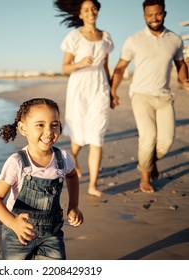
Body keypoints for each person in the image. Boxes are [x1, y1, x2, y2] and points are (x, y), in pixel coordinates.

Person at [0, 98, 83, 260]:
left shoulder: (63, 158)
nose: (48, 131)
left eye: (54, 124)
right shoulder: (17, 162)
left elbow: (72, 175)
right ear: (23, 128)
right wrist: (13, 224)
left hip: (52, 234)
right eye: (40, 125)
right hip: (18, 236)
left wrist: (74, 206)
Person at [111, 0, 189, 193]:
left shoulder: (175, 40)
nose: (154, 18)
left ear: (164, 13)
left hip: (164, 96)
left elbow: (180, 64)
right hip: (141, 95)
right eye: (149, 15)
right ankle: (144, 178)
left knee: (166, 142)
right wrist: (113, 91)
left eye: (158, 14)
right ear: (144, 16)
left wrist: (185, 80)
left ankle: (151, 162)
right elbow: (120, 67)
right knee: (148, 137)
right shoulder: (134, 39)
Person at [54, 0, 114, 197]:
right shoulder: (74, 36)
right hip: (79, 87)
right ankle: (74, 159)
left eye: (94, 8)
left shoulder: (105, 37)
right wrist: (79, 63)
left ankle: (93, 185)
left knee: (97, 135)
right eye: (87, 9)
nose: (91, 12)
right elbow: (64, 67)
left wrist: (112, 91)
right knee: (78, 133)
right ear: (80, 14)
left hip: (100, 85)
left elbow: (105, 67)